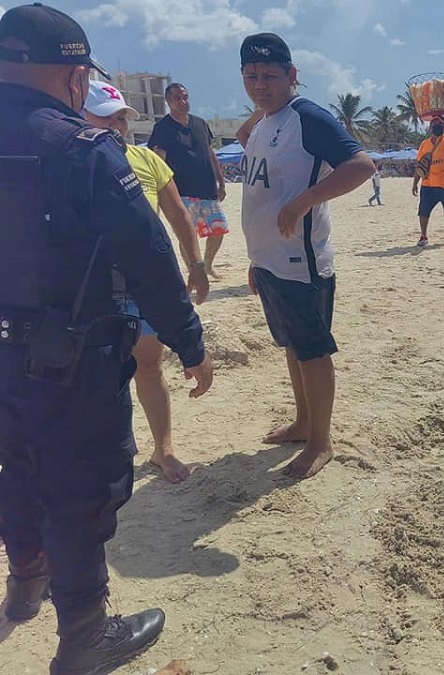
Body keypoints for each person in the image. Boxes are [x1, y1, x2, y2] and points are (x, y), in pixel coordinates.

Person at [0, 4, 213, 672]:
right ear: (72, 76)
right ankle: (85, 631)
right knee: (82, 487)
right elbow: (148, 255)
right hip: (72, 357)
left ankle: (26, 572)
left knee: (14, 468)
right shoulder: (85, 150)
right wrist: (189, 339)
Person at [236, 33, 374, 479]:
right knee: (292, 346)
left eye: (271, 76)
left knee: (313, 351)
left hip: (302, 261)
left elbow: (361, 166)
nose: (260, 84)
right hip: (270, 261)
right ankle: (302, 422)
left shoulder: (308, 118)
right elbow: (248, 149)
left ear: (293, 76)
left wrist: (303, 202)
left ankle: (321, 442)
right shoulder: (263, 123)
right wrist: (257, 258)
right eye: (252, 77)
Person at [83, 80, 210, 483]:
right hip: (92, 289)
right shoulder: (69, 161)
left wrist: (196, 265)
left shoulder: (146, 160)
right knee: (95, 374)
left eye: (121, 117)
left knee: (149, 367)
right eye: (106, 117)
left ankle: (163, 449)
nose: (117, 126)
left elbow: (178, 216)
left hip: (142, 281)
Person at [149, 82, 229, 279]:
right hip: (181, 190)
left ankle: (208, 264)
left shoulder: (200, 123)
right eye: (177, 98)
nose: (183, 101)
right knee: (187, 234)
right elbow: (158, 160)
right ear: (168, 101)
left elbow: (211, 153)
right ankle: (195, 269)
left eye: (185, 97)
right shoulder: (163, 128)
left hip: (207, 187)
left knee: (218, 229)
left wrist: (221, 180)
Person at [412, 103, 444, 246]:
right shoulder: (424, 144)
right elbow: (420, 165)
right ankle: (423, 236)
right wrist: (415, 182)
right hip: (428, 183)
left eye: (439, 123)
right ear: (430, 127)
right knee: (423, 210)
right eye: (434, 124)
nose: (437, 126)